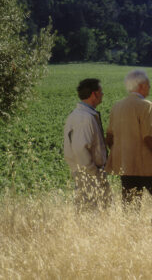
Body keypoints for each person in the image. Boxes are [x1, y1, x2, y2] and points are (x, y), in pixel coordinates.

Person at [105, 69, 152, 221]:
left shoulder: (117, 106)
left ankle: (132, 238)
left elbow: (109, 137)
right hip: (146, 167)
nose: (150, 87)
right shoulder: (146, 106)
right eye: (148, 84)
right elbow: (149, 138)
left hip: (126, 167)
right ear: (141, 85)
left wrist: (122, 155)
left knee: (130, 208)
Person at [63, 78, 110, 210]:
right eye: (101, 92)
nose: (102, 95)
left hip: (83, 173)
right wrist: (93, 171)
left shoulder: (76, 115)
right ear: (94, 94)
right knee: (96, 213)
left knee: (90, 213)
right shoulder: (85, 118)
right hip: (89, 175)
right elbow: (79, 149)